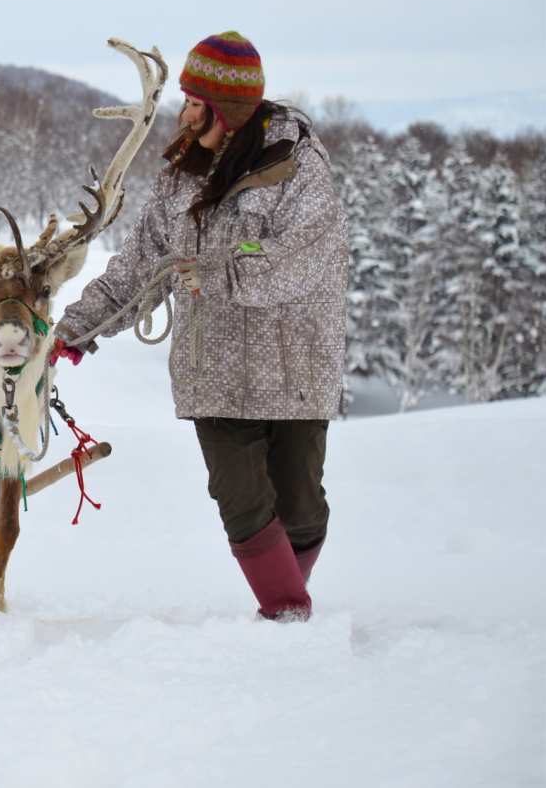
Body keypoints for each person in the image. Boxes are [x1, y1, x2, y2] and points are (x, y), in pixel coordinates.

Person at [52, 31, 348, 621]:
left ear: (229, 112)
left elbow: (305, 261)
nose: (183, 114)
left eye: (194, 103)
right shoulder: (179, 178)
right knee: (240, 499)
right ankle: (287, 613)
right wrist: (77, 328)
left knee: (302, 506)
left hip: (293, 364)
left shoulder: (300, 169)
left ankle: (286, 599)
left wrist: (217, 272)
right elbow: (142, 263)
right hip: (211, 366)